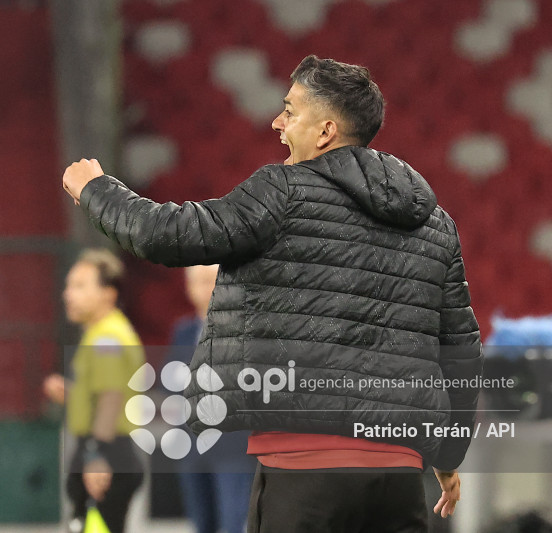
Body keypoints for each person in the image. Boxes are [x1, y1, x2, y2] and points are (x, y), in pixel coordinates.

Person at [63, 55, 483, 533]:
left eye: (289, 111)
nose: (277, 123)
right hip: (400, 478)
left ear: (325, 132)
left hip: (303, 470)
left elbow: (169, 234)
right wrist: (449, 455)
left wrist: (96, 191)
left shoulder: (282, 192)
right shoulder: (436, 224)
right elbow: (462, 351)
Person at [43, 248, 145, 533]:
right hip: (107, 451)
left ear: (108, 294)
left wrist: (94, 457)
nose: (68, 294)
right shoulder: (100, 333)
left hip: (105, 455)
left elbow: (110, 398)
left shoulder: (107, 337)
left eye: (79, 286)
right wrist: (74, 394)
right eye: (68, 286)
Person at [164, 264, 256, 533]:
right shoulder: (182, 332)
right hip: (192, 446)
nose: (206, 288)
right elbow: (168, 381)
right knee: (201, 522)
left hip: (232, 448)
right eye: (199, 281)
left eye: (211, 280)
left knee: (232, 522)